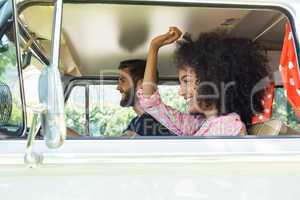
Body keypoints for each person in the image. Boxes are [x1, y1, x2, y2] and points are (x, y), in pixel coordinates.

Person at [137, 27, 270, 136]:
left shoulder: (228, 125)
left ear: (213, 82)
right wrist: (154, 47)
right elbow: (151, 103)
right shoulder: (199, 123)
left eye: (187, 81)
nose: (181, 92)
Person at [117, 59, 175, 136]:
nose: (118, 87)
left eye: (123, 81)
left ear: (142, 84)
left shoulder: (160, 122)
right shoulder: (135, 122)